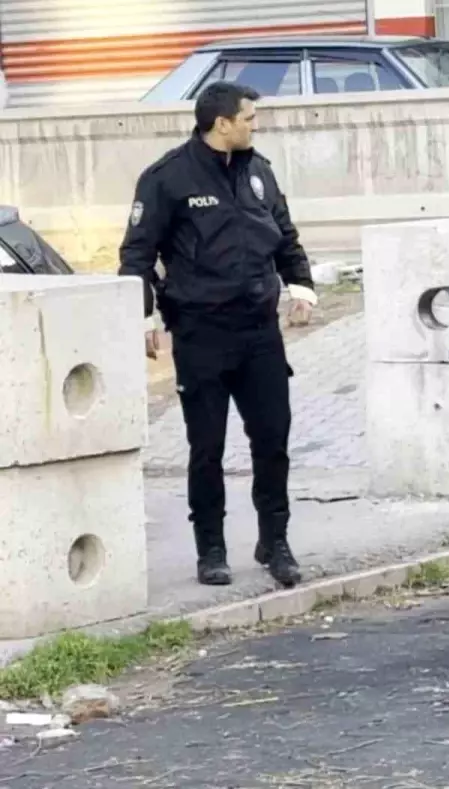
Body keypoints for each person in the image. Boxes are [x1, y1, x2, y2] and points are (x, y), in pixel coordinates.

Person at [118, 81, 314, 588]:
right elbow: (136, 255)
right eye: (249, 118)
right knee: (207, 448)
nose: (255, 126)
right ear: (222, 123)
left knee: (272, 441)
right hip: (201, 332)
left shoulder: (258, 170)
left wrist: (302, 288)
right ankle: (211, 549)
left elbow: (285, 235)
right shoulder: (167, 177)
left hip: (259, 332)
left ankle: (275, 541)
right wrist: (142, 318)